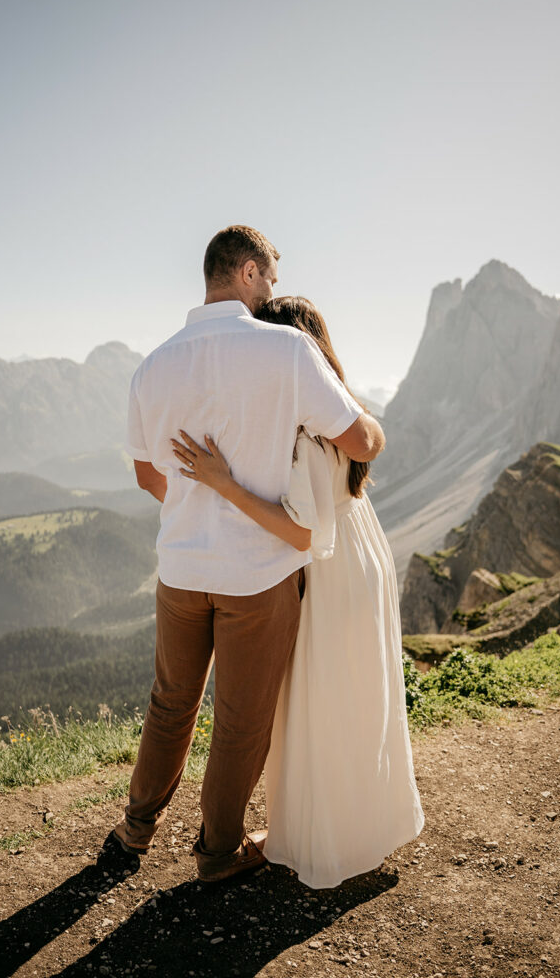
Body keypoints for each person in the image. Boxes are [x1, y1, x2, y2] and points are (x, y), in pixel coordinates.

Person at [112, 226, 386, 883]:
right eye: (268, 275)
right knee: (239, 723)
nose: (272, 289)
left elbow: (149, 477)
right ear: (246, 273)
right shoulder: (286, 350)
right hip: (258, 575)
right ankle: (216, 855)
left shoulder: (152, 366)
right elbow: (361, 443)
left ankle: (135, 828)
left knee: (170, 703)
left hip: (179, 568)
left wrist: (193, 506)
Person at [172, 295, 425, 888]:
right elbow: (362, 456)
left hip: (329, 566)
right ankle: (366, 826)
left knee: (318, 703)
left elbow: (304, 530)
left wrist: (222, 484)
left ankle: (320, 839)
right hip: (365, 552)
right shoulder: (339, 413)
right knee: (360, 695)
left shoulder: (300, 432)